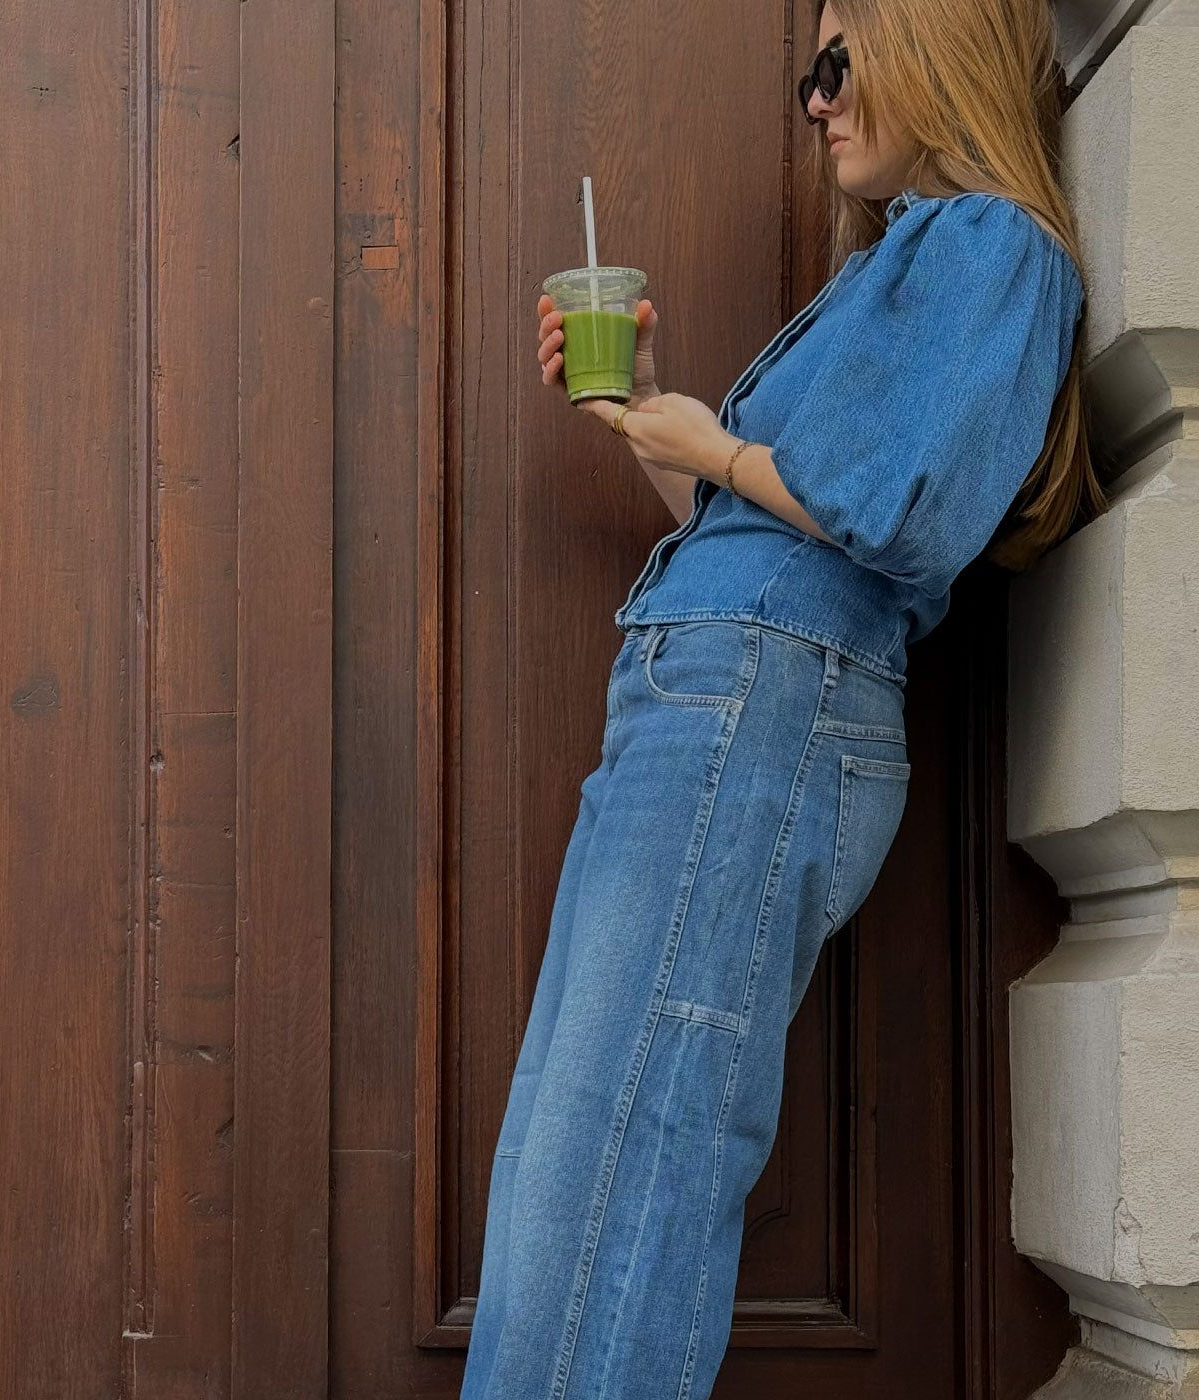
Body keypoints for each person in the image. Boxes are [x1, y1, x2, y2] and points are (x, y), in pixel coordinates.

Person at [458, 1, 1106, 1398]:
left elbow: (899, 513)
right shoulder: (909, 259)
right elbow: (767, 530)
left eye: (837, 63)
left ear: (935, 49)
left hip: (760, 703)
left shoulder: (993, 244)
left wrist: (718, 446)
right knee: (577, 1140)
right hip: (721, 691)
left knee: (624, 1148)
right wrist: (648, 417)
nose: (817, 100)